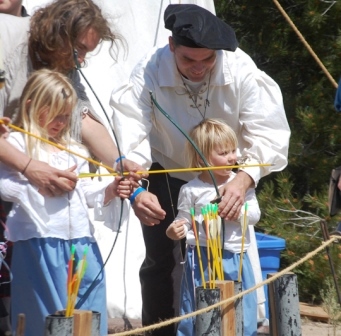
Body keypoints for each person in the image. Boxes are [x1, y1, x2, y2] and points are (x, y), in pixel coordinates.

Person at [111, 4, 290, 335]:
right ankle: (161, 331)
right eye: (188, 60)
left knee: (227, 257)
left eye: (208, 60)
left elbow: (269, 133)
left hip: (228, 177)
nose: (199, 68)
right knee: (160, 259)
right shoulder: (149, 71)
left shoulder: (241, 69)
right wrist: (136, 188)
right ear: (171, 47)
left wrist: (243, 179)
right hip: (166, 172)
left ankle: (230, 328)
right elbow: (130, 133)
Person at [0, 69, 132, 336]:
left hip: (82, 244)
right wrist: (38, 187)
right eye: (55, 114)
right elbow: (4, 185)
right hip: (40, 243)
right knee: (47, 315)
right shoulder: (16, 143)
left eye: (65, 116)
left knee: (90, 309)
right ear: (31, 106)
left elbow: (84, 190)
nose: (61, 122)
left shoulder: (75, 148)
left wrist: (110, 189)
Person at [0, 0, 142, 179]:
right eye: (80, 48)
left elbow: (80, 115)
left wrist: (118, 162)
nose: (80, 60)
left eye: (86, 52)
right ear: (59, 32)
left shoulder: (63, 61)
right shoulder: (5, 37)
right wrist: (29, 166)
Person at [165, 118, 259, 336]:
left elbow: (254, 216)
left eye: (233, 150)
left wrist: (235, 211)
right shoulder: (190, 189)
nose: (232, 157)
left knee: (238, 308)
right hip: (200, 260)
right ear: (202, 157)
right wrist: (175, 229)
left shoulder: (241, 184)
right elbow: (183, 220)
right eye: (223, 153)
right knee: (198, 310)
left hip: (235, 257)